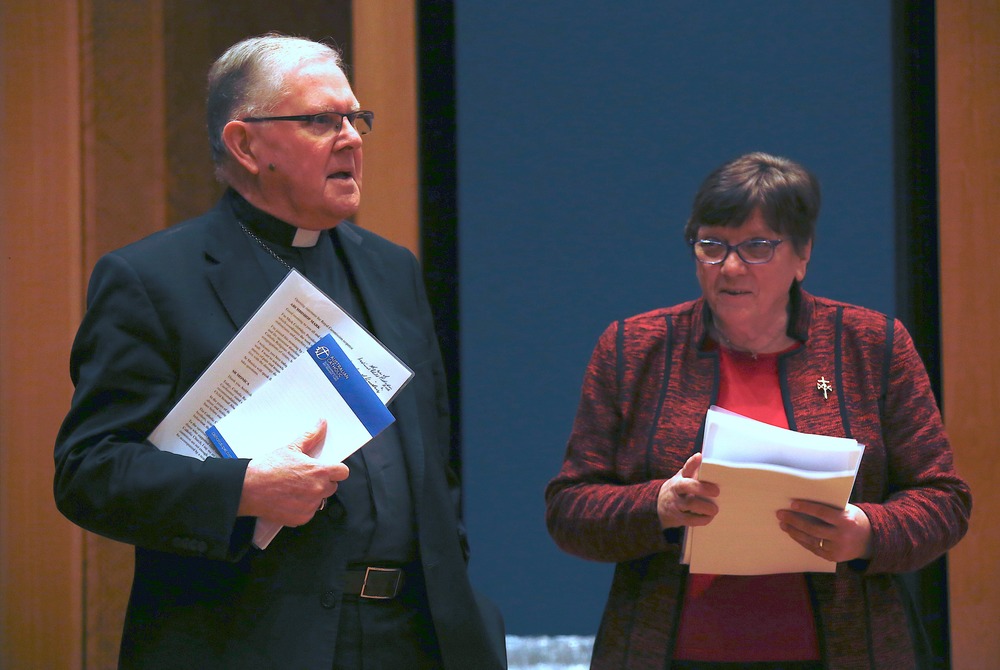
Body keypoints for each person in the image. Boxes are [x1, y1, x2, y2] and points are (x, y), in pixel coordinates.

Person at [54, 33, 505, 669]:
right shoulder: (154, 279)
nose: (351, 137)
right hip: (255, 639)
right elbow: (88, 474)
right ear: (245, 144)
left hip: (417, 636)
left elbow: (432, 462)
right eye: (322, 120)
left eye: (356, 118)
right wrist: (241, 489)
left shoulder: (391, 269)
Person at [545, 152, 971, 669]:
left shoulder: (871, 345)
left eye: (757, 247)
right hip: (668, 654)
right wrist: (658, 505)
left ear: (802, 255)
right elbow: (569, 509)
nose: (729, 267)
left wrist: (865, 532)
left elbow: (944, 500)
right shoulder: (634, 348)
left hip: (843, 652)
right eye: (711, 245)